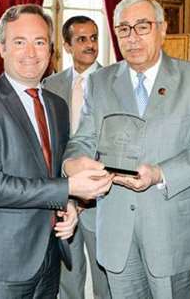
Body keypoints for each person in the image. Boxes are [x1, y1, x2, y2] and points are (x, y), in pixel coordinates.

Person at [63, 0, 190, 298]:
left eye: (142, 27)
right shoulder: (100, 81)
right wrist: (71, 164)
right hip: (116, 231)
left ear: (162, 29)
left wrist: (159, 173)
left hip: (172, 232)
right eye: (123, 29)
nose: (132, 37)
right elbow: (82, 140)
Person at [0, 4, 113, 299]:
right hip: (1, 263)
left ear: (51, 49)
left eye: (39, 42)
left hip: (50, 255)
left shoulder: (56, 105)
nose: (31, 52)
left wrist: (72, 205)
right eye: (19, 42)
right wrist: (67, 188)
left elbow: (53, 171)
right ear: (1, 48)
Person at [42, 16, 111, 299]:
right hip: (62, 190)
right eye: (81, 39)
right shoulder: (49, 84)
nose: (90, 44)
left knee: (104, 271)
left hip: (102, 192)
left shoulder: (114, 81)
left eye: (94, 38)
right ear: (67, 45)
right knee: (69, 273)